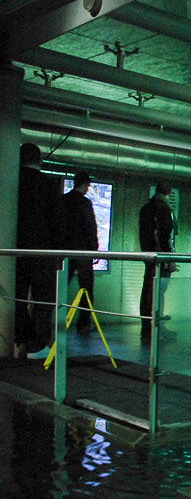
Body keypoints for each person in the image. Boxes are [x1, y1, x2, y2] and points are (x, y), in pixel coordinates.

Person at [14, 143, 62, 359]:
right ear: (40, 160)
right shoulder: (48, 185)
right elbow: (56, 223)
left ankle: (18, 338)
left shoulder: (10, 179)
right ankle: (36, 345)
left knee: (16, 297)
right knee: (44, 299)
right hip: (43, 251)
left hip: (13, 249)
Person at [139, 180, 177, 341]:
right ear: (168, 193)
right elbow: (166, 236)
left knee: (148, 291)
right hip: (161, 258)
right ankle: (157, 329)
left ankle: (147, 327)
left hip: (149, 256)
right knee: (159, 294)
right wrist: (170, 258)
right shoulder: (166, 209)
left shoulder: (145, 209)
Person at [62, 172, 99, 334]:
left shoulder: (62, 200)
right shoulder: (85, 204)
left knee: (60, 286)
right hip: (83, 252)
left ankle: (55, 320)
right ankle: (84, 323)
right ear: (85, 185)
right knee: (86, 289)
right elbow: (91, 228)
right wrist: (94, 249)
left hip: (64, 251)